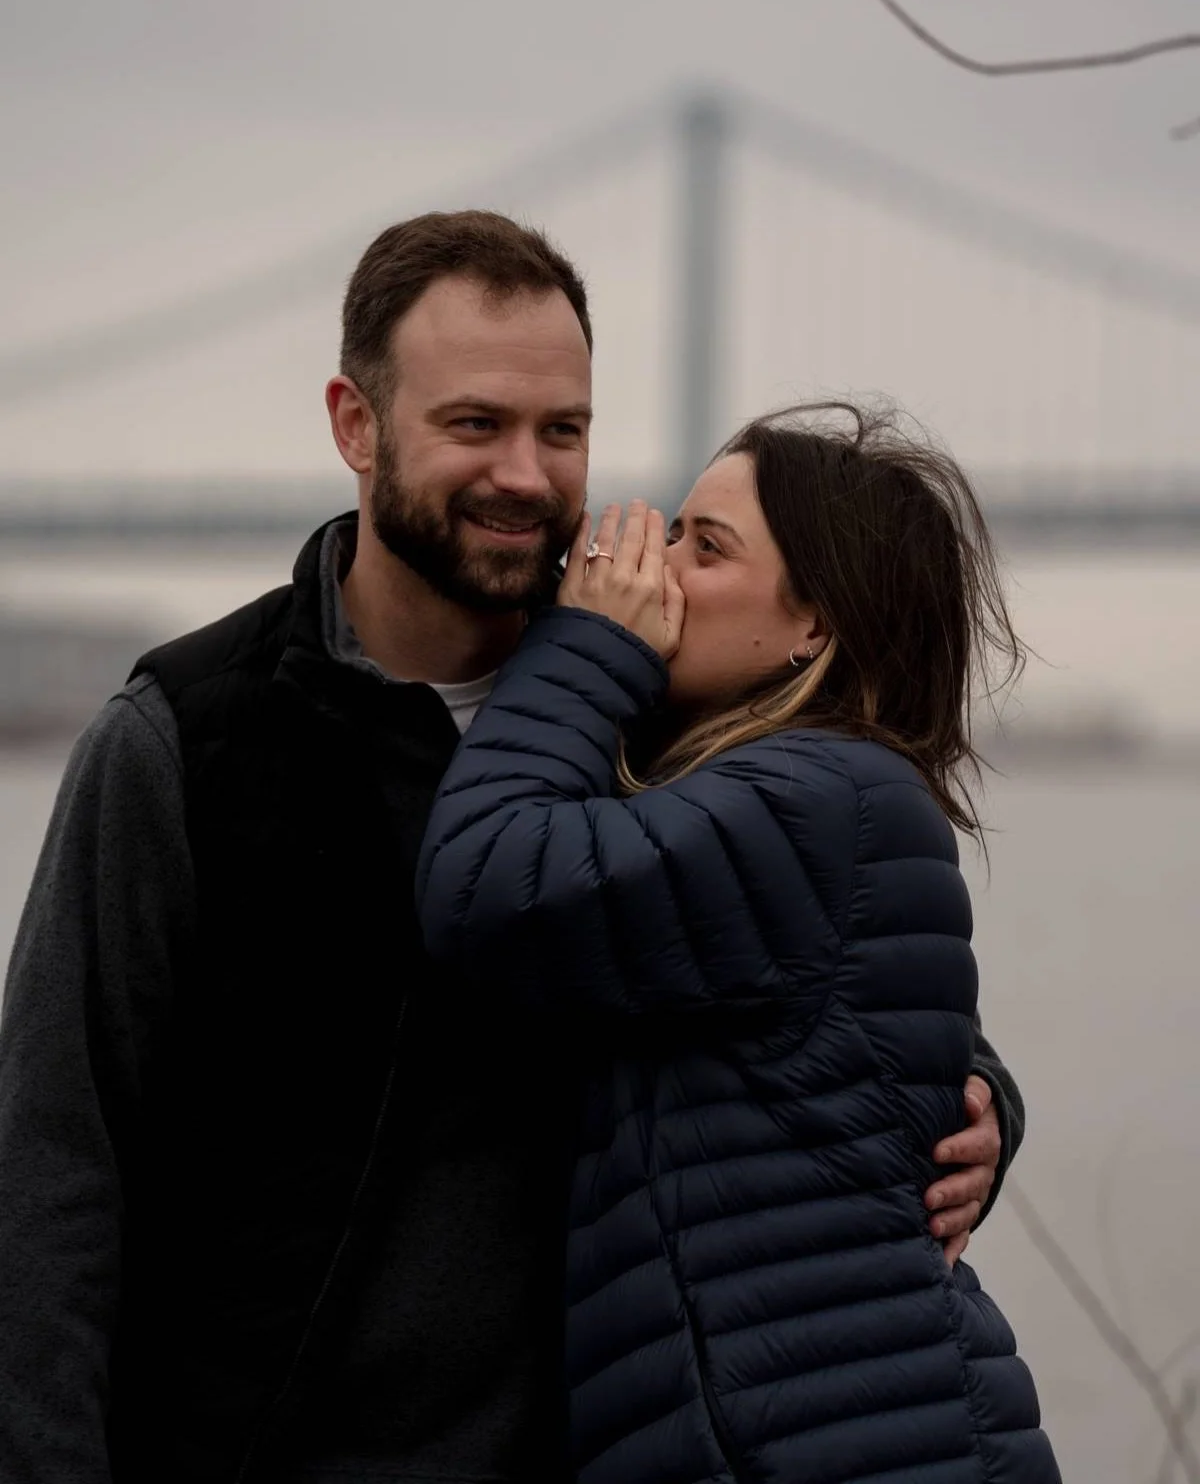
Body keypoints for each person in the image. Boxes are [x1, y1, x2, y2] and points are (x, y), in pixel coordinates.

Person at [0, 212, 1022, 1484]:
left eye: (565, 430)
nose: (529, 477)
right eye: (475, 424)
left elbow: (836, 965)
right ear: (355, 424)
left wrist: (978, 1104)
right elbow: (48, 1165)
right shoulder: (186, 739)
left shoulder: (651, 708)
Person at [414, 406, 1062, 1483]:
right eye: (674, 528)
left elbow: (486, 882)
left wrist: (588, 645)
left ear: (816, 622)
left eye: (704, 549)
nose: (654, 570)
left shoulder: (816, 798)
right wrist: (980, 1088)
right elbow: (861, 1037)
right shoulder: (756, 798)